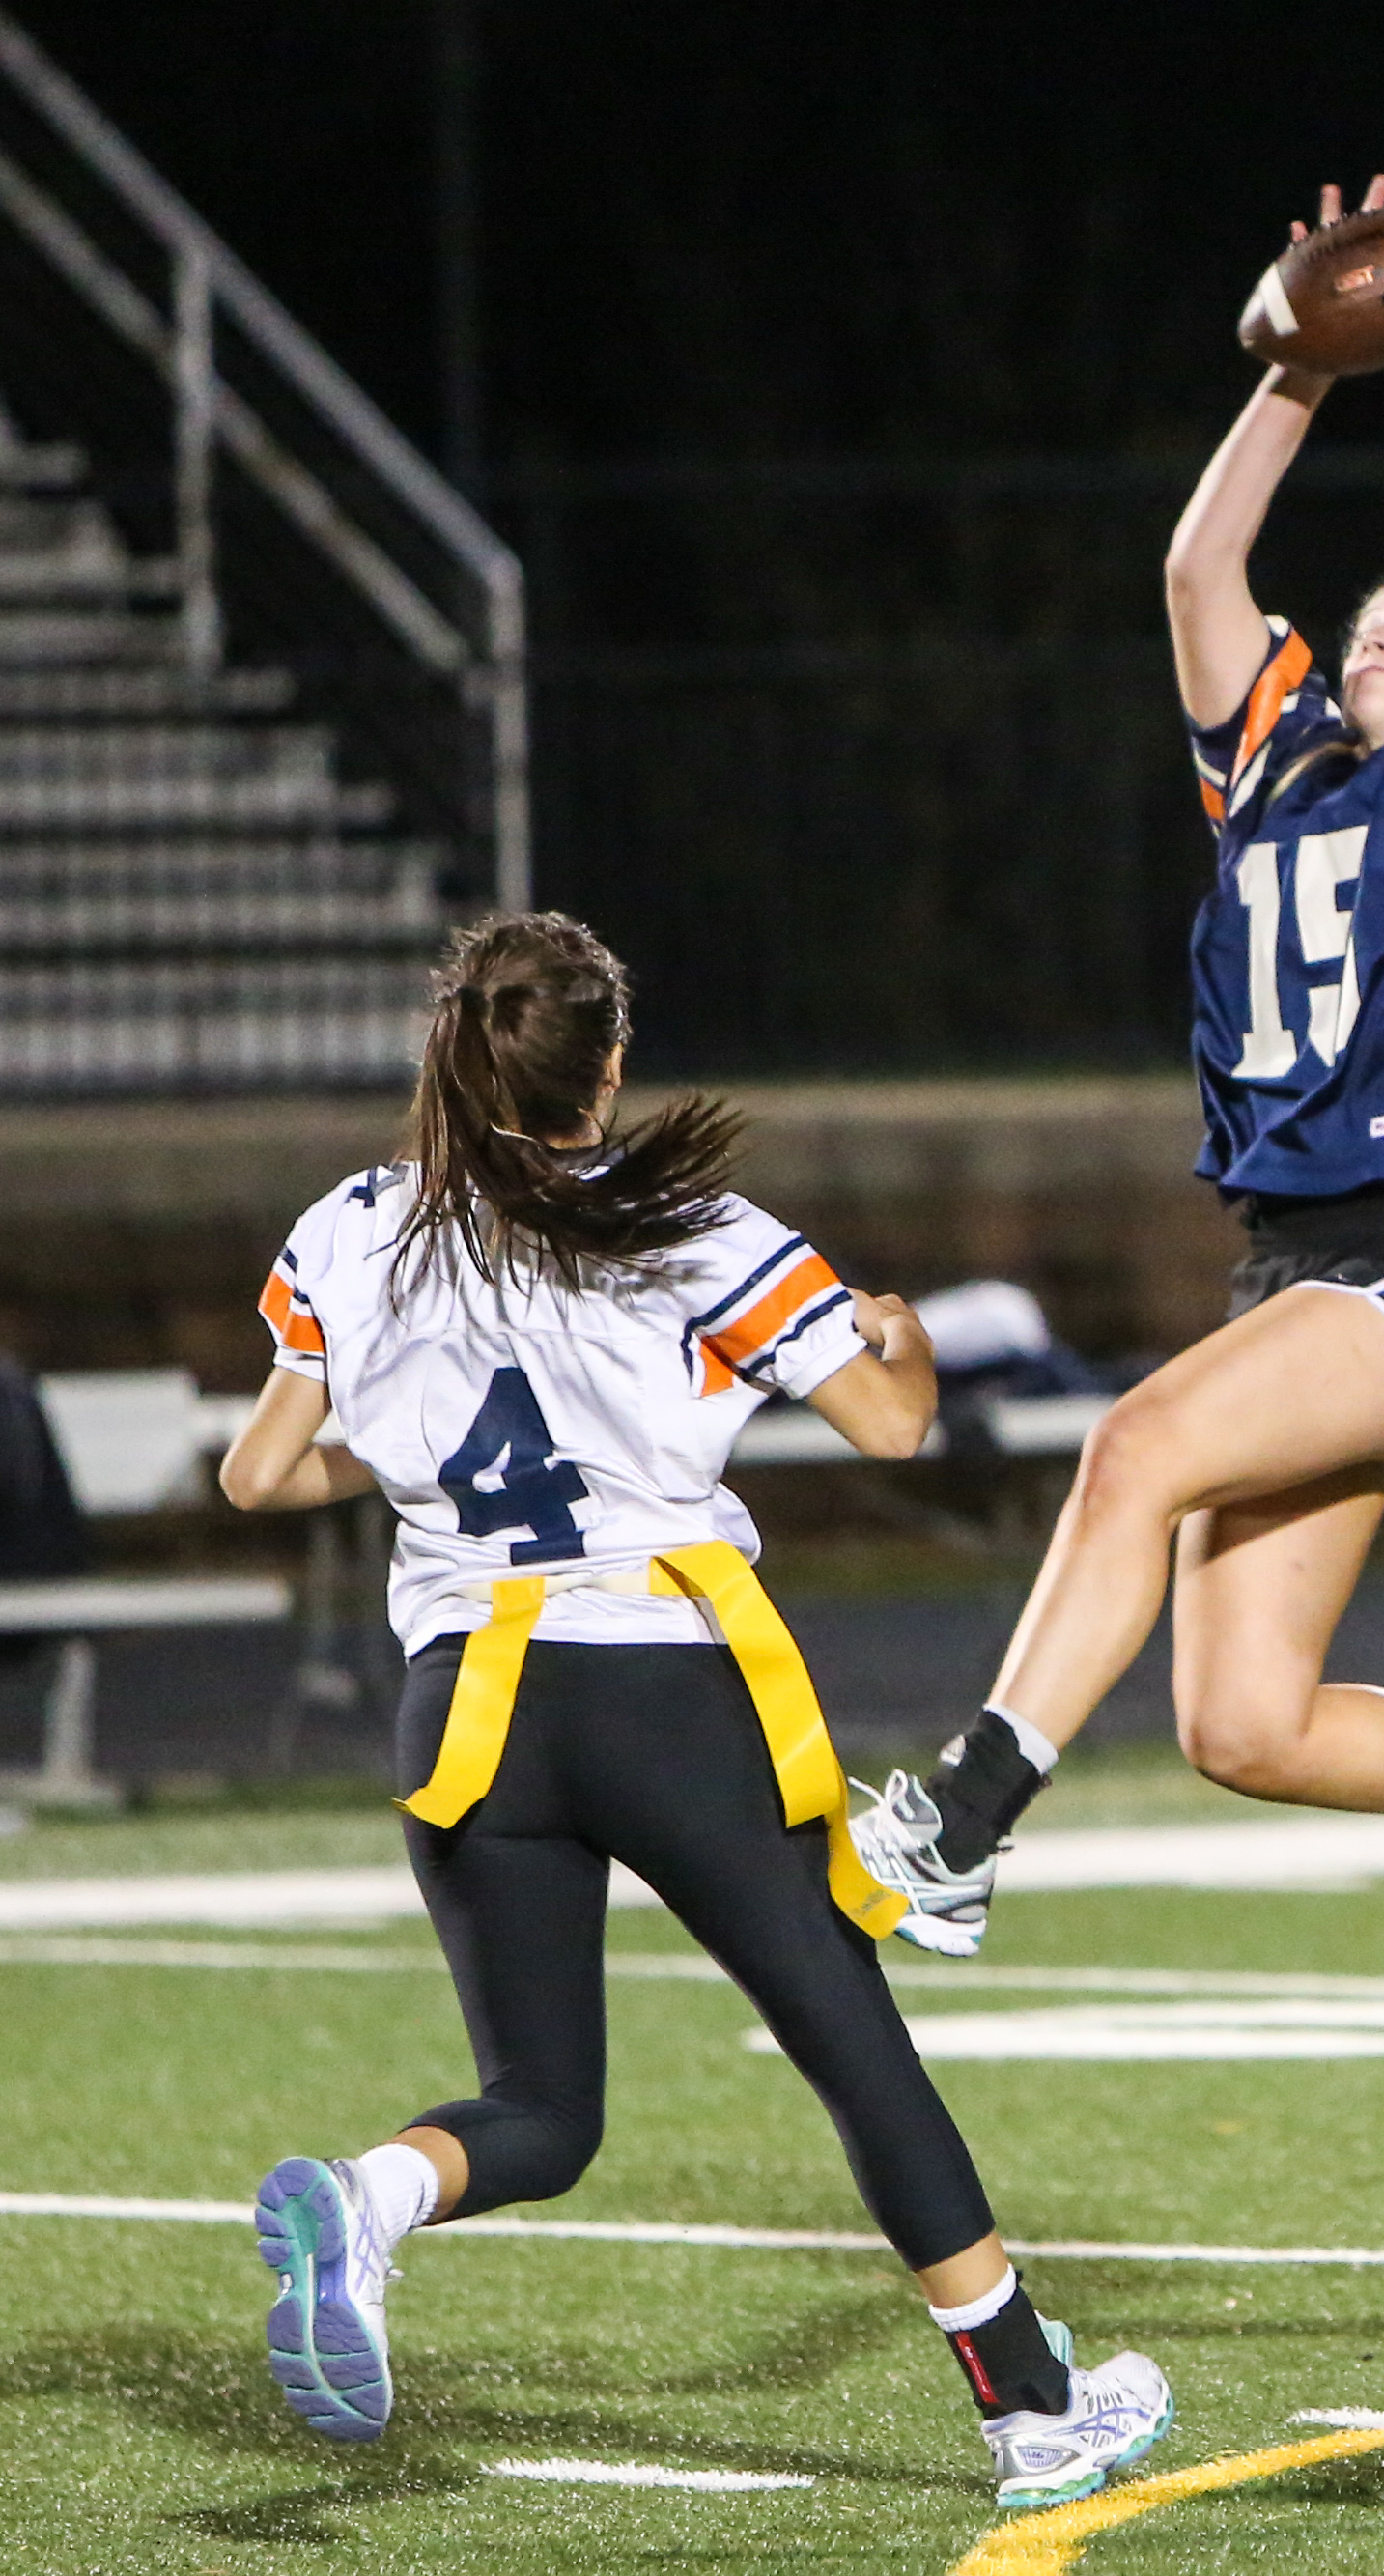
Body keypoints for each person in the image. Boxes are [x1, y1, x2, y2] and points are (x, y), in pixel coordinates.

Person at [849, 182, 1384, 2011]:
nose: (1367, 640)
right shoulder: (1284, 780)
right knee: (1245, 1721)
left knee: (1132, 1445)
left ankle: (962, 1828)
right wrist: (1301, 369)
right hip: (1297, 1257)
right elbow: (1195, 574)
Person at [221, 912, 1170, 2508]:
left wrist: (407, 1462)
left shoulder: (354, 1224)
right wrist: (914, 1339)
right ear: (607, 1067)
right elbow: (889, 1424)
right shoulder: (691, 1224)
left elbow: (259, 1472)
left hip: (467, 1700)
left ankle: (371, 2199)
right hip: (659, 1676)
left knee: (540, 2105)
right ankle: (1028, 2404)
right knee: (841, 2024)